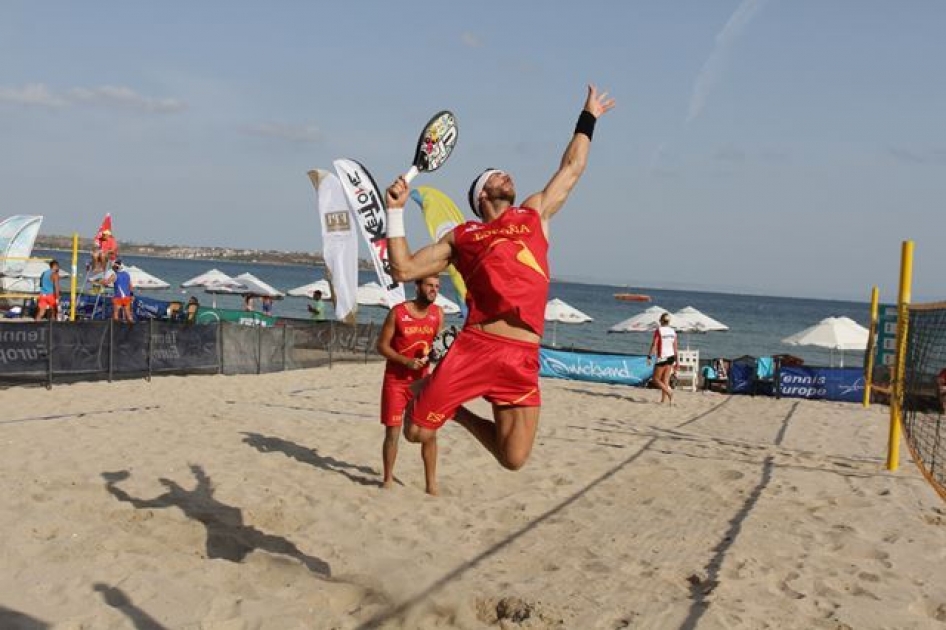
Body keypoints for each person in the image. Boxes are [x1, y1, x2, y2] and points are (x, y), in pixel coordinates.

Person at [384, 84, 615, 471]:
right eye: (496, 176)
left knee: (513, 458)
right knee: (414, 433)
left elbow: (572, 169)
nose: (507, 176)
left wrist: (587, 117)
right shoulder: (464, 236)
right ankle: (437, 395)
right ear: (482, 196)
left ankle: (456, 410)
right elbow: (403, 268)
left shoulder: (533, 214)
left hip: (523, 355)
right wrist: (395, 211)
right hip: (478, 345)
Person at [376, 277, 444, 494]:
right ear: (417, 287)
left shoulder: (438, 314)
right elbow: (381, 346)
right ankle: (387, 479)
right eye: (429, 286)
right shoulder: (398, 312)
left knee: (429, 433)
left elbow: (439, 347)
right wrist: (405, 361)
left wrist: (437, 356)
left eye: (436, 287)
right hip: (395, 381)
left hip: (423, 382)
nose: (433, 290)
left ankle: (431, 484)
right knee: (392, 433)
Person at [647, 313, 678, 404]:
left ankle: (669, 393)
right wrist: (677, 361)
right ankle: (663, 400)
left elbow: (654, 345)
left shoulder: (659, 330)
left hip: (662, 357)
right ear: (669, 321)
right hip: (671, 356)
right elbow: (675, 347)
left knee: (655, 379)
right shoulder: (673, 331)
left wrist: (649, 356)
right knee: (665, 380)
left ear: (660, 321)